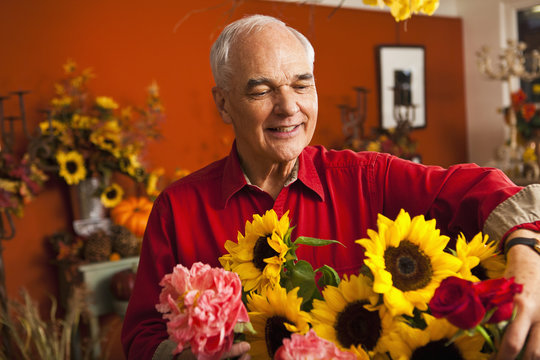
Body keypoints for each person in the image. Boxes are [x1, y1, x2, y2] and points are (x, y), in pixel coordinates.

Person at [122, 14, 540, 360]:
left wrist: (527, 253)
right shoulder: (177, 208)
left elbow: (486, 188)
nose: (289, 107)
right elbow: (140, 334)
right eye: (262, 90)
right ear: (224, 103)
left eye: (302, 84)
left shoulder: (368, 178)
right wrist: (181, 356)